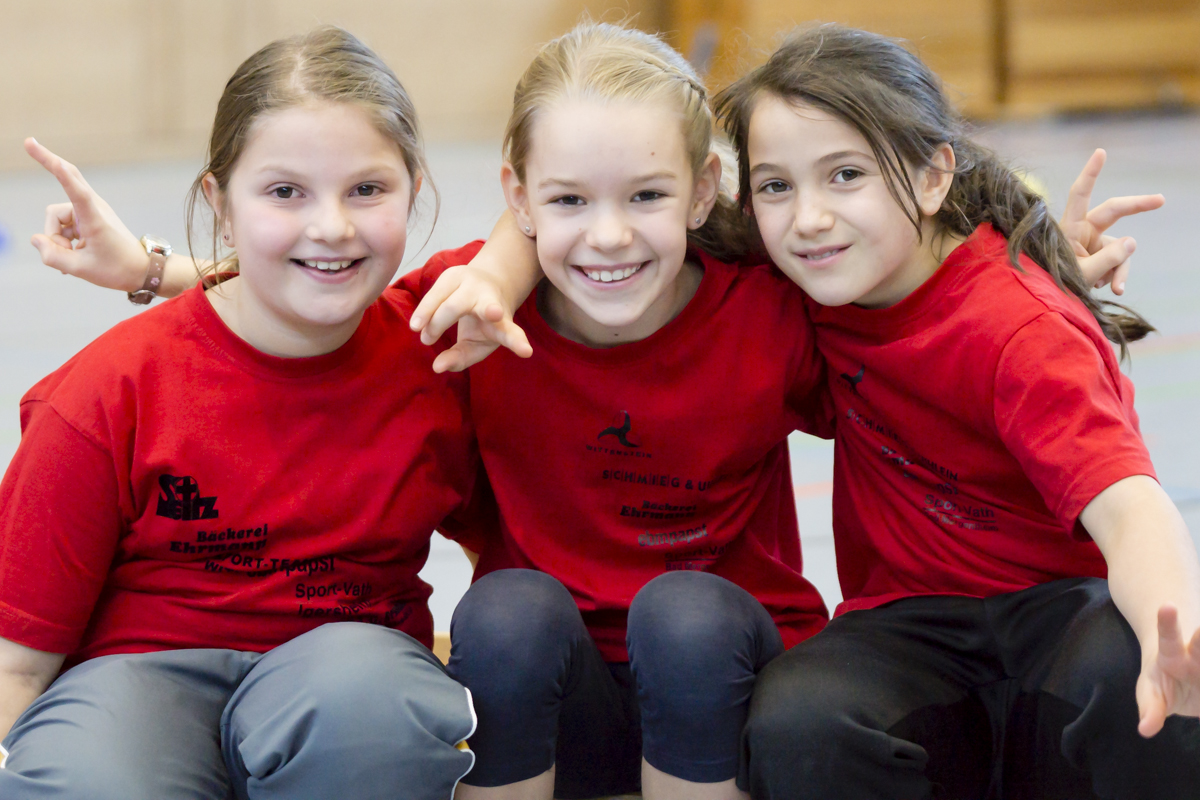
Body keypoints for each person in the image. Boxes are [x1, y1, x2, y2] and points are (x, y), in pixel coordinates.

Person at [24, 22, 1157, 800]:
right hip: (560, 685)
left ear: (702, 193)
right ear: (517, 198)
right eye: (567, 201)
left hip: (731, 675)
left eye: (646, 197)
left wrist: (1030, 274)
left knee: (687, 613)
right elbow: (318, 303)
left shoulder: (766, 306)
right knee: (506, 609)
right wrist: (161, 272)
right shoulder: (474, 314)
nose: (607, 236)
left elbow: (914, 329)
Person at [0, 26, 531, 800]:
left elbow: (561, 207)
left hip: (346, 685)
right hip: (136, 684)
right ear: (220, 204)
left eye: (367, 189)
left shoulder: (447, 342)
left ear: (415, 189)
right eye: (285, 192)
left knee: (371, 711)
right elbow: (16, 661)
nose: (332, 226)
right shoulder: (107, 391)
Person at [709, 23, 1200, 799]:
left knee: (1143, 677)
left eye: (845, 175)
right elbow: (629, 223)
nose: (807, 218)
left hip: (1059, 622)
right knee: (800, 722)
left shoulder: (1021, 331)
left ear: (934, 176)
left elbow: (1132, 508)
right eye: (776, 187)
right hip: (910, 633)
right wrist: (509, 270)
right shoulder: (805, 292)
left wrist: (1178, 630)